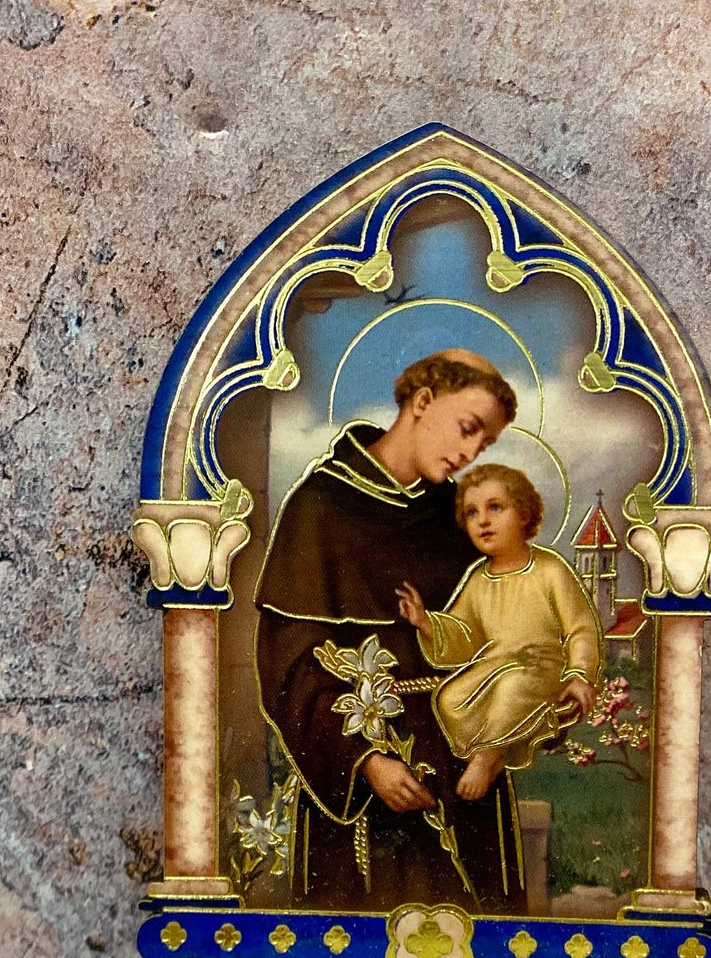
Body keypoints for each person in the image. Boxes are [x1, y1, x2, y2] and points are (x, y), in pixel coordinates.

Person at [254, 349, 530, 911]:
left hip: (466, 771)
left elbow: (507, 636)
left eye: (484, 445)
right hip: (361, 780)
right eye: (468, 428)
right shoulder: (320, 506)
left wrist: (501, 742)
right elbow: (287, 664)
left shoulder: (458, 521)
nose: (470, 453)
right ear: (422, 402)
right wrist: (366, 760)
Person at [396, 466, 602, 801]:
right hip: (496, 663)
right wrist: (426, 622)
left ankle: (487, 755)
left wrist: (579, 674)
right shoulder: (478, 578)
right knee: (450, 699)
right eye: (472, 513)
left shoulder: (549, 569)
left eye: (495, 507)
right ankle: (498, 751)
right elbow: (464, 633)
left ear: (524, 514)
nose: (483, 521)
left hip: (542, 666)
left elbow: (580, 627)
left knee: (512, 689)